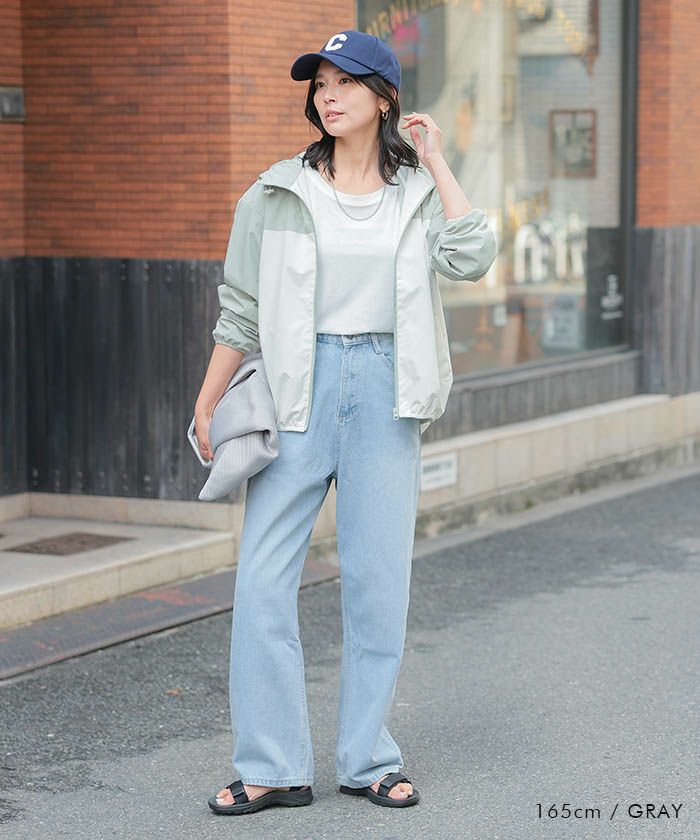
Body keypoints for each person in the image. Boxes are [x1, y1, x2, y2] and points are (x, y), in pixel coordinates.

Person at [195, 30, 498, 816]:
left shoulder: (416, 193)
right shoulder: (276, 191)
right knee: (263, 579)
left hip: (387, 392)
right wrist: (208, 397)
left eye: (347, 82)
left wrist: (436, 160)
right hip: (298, 389)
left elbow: (471, 257)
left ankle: (368, 759)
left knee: (376, 585)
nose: (329, 96)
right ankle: (273, 765)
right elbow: (241, 308)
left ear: (385, 98)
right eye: (321, 84)